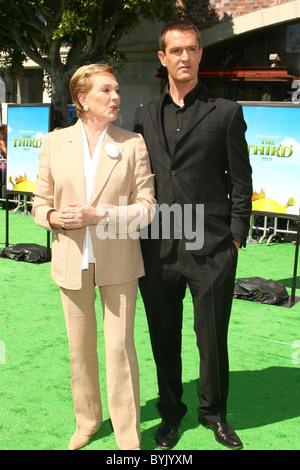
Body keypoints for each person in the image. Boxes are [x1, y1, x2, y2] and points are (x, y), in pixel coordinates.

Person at [134, 20, 253, 450]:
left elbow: (241, 179)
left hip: (212, 245)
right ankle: (170, 415)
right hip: (158, 246)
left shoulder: (225, 111)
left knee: (212, 336)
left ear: (201, 55)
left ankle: (214, 414)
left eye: (192, 49)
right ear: (162, 58)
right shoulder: (144, 116)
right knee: (163, 338)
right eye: (176, 50)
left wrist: (236, 235)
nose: (185, 56)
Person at [32, 63, 155, 451]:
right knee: (79, 349)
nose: (115, 97)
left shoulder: (133, 143)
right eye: (105, 91)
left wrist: (101, 214)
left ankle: (128, 436)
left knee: (120, 349)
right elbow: (38, 203)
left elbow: (148, 207)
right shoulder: (54, 143)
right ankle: (87, 421)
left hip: (119, 260)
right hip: (71, 259)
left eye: (117, 90)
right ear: (82, 98)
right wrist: (53, 217)